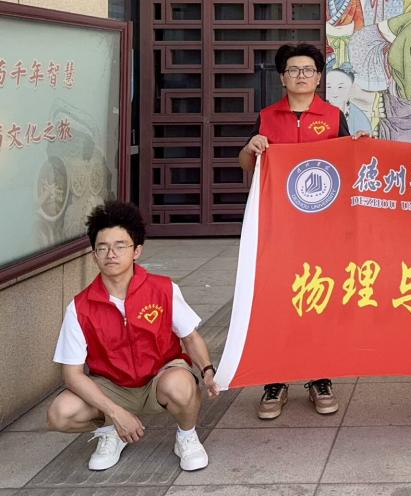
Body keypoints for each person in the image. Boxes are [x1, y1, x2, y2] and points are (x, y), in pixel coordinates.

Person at [46, 201, 217, 472]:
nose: (111, 254)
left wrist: (207, 370)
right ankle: (111, 432)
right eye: (102, 248)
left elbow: (190, 337)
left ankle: (186, 436)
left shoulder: (163, 289)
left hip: (159, 377)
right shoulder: (80, 307)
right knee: (60, 413)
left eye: (120, 246)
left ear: (136, 251)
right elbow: (72, 375)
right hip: (112, 386)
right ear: (94, 255)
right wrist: (115, 413)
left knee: (181, 385)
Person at [239, 43, 352, 419]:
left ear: (319, 78)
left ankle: (320, 377)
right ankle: (275, 380)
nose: (301, 76)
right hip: (278, 226)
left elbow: (349, 165)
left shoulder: (334, 117)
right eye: (293, 70)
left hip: (323, 229)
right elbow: (247, 166)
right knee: (277, 299)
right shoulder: (267, 117)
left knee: (319, 297)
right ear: (282, 78)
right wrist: (251, 147)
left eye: (308, 70)